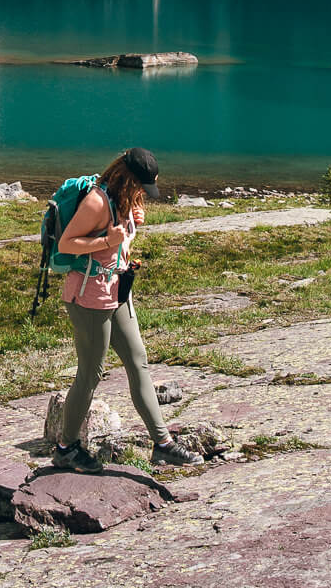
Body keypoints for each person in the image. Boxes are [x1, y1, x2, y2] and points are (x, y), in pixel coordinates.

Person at [52, 145, 203, 472]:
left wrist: (131, 226)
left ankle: (163, 445)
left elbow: (118, 244)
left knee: (138, 362)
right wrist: (108, 240)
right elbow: (67, 243)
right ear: (127, 177)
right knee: (90, 374)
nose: (143, 193)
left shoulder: (125, 199)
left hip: (117, 291)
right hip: (88, 298)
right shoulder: (96, 202)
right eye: (141, 187)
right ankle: (66, 447)